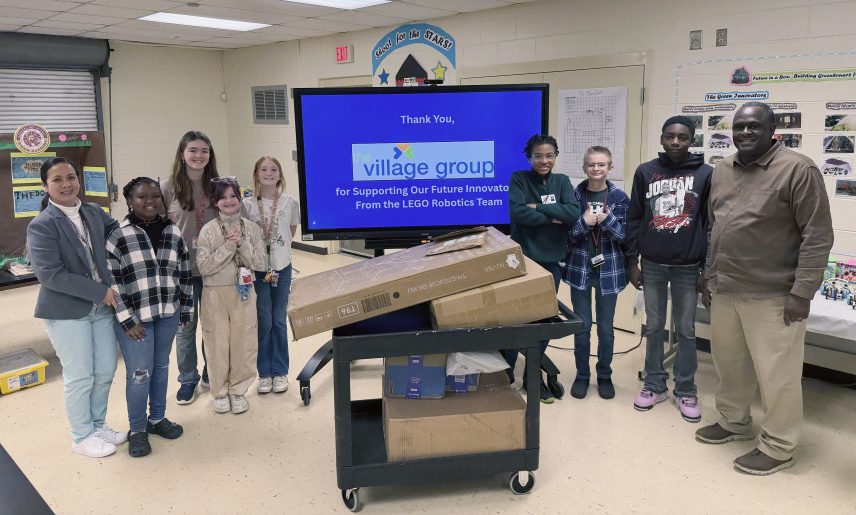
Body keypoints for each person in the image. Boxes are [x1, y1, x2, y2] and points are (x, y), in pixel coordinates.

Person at [696, 101, 833, 475]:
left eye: (754, 126)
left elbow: (818, 235)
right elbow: (714, 227)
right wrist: (708, 274)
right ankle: (733, 421)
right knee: (730, 365)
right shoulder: (722, 169)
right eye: (739, 126)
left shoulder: (798, 169)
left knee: (777, 375)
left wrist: (802, 292)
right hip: (725, 289)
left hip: (773, 295)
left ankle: (779, 445)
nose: (744, 132)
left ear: (773, 130)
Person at [26, 157, 125, 458]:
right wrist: (100, 291)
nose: (66, 184)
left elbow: (120, 234)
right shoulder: (41, 225)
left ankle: (97, 425)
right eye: (57, 180)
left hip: (102, 310)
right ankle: (81, 436)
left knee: (105, 370)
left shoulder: (93, 211)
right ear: (45, 186)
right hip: (67, 311)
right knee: (80, 375)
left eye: (70, 177)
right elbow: (50, 275)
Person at [624, 116, 712, 423]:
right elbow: (635, 218)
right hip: (652, 264)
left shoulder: (706, 174)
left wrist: (706, 269)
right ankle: (654, 384)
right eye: (670, 136)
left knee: (686, 330)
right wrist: (632, 261)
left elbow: (710, 224)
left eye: (683, 137)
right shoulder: (645, 172)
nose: (676, 142)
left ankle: (685, 389)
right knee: (654, 327)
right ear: (662, 138)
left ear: (691, 140)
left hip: (688, 266)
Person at [106, 177, 193, 457]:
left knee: (161, 367)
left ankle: (157, 418)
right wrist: (126, 319)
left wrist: (186, 309)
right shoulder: (118, 235)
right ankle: (138, 429)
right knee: (140, 374)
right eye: (142, 197)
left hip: (168, 312)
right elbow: (113, 281)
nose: (150, 201)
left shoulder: (172, 231)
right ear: (130, 201)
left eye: (155, 196)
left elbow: (184, 272)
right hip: (136, 319)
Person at [507, 134, 581, 403]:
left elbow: (573, 213)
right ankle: (504, 375)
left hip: (552, 263)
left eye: (549, 156)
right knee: (517, 319)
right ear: (529, 158)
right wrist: (554, 216)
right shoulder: (519, 179)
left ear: (555, 156)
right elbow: (518, 213)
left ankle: (532, 376)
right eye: (538, 156)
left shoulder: (562, 181)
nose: (544, 161)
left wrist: (539, 207)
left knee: (543, 319)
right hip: (524, 262)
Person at [564, 146, 629, 400]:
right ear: (584, 168)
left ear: (610, 168)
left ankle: (604, 375)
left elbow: (625, 236)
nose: (596, 169)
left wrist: (606, 220)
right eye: (591, 164)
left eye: (601, 164)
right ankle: (582, 375)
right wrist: (584, 223)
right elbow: (566, 236)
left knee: (605, 329)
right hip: (580, 271)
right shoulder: (573, 196)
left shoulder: (620, 198)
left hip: (609, 273)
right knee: (582, 328)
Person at [197, 178, 266, 414]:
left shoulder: (251, 228)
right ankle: (219, 392)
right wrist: (228, 246)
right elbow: (204, 266)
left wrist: (242, 244)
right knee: (217, 343)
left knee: (244, 342)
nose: (229, 201)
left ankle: (238, 391)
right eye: (223, 197)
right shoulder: (208, 230)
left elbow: (260, 263)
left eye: (233, 196)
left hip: (243, 293)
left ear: (239, 198)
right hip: (214, 294)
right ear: (215, 202)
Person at [160, 131, 219, 404]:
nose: (199, 155)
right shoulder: (167, 187)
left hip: (213, 268)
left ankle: (211, 371)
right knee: (185, 327)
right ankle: (187, 379)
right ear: (182, 154)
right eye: (193, 150)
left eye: (204, 150)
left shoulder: (218, 185)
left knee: (212, 326)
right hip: (181, 271)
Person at [241, 157, 300, 395]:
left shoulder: (290, 202)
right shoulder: (247, 205)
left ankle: (280, 371)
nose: (269, 173)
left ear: (280, 174)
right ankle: (264, 373)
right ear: (256, 174)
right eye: (263, 169)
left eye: (274, 169)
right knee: (263, 320)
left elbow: (291, 231)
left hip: (281, 268)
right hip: (258, 269)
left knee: (279, 320)